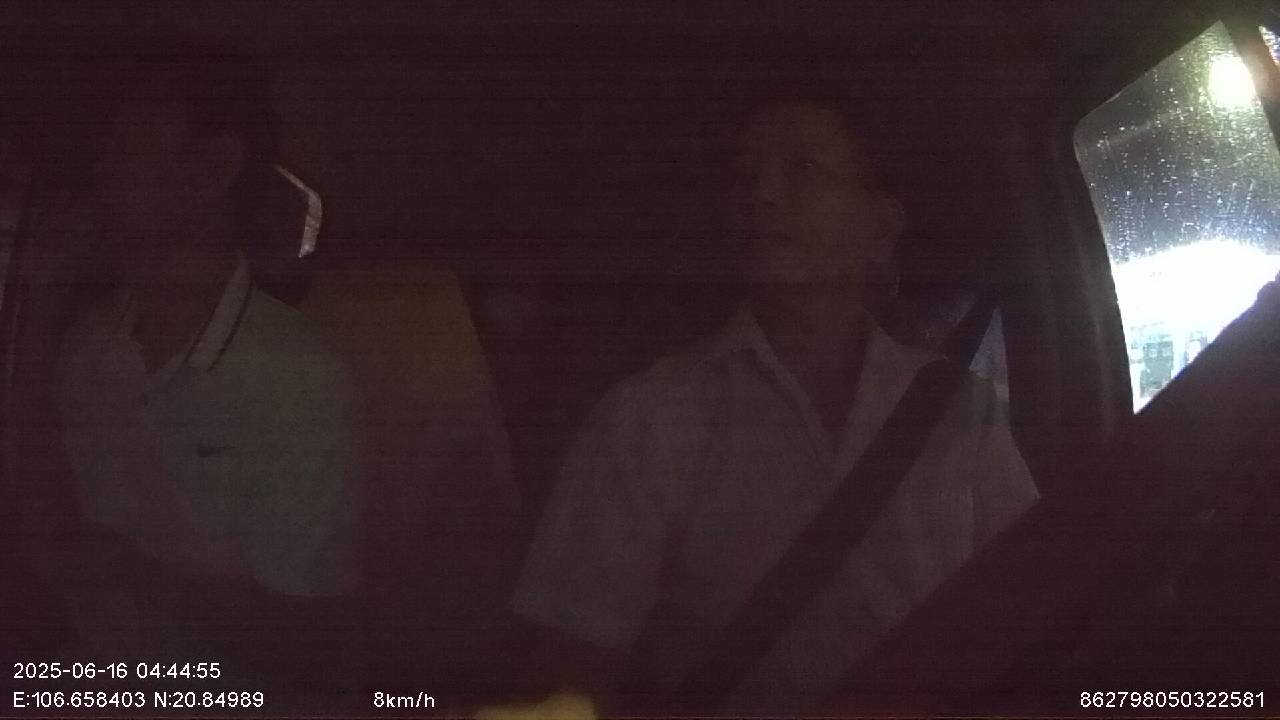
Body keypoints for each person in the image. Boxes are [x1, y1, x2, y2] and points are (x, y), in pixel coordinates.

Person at [498, 82, 1040, 715]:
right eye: (745, 176)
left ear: (880, 225)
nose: (761, 194)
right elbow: (571, 668)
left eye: (801, 168)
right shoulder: (648, 416)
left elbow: (1029, 605)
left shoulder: (960, 409)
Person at [23, 43, 361, 702]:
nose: (101, 166)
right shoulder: (87, 347)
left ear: (212, 169)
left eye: (127, 142)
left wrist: (128, 570)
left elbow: (308, 644)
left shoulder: (297, 376)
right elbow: (43, 540)